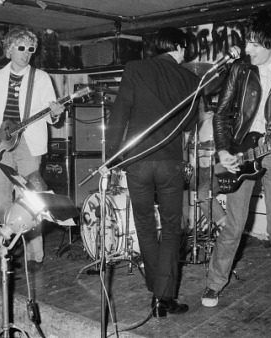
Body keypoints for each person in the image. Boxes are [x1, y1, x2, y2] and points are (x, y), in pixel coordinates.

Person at [200, 11, 271, 315]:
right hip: (240, 154)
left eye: (254, 45)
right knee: (233, 225)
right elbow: (221, 114)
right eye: (247, 42)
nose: (247, 49)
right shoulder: (240, 70)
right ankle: (214, 282)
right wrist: (223, 151)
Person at [106, 27, 200, 318]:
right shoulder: (191, 78)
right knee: (172, 229)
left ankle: (156, 287)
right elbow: (187, 125)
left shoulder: (135, 68)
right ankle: (163, 297)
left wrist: (112, 159)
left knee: (144, 225)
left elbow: (119, 114)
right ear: (180, 47)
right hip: (170, 162)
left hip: (138, 161)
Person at [0, 26, 64, 273]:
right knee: (1, 200)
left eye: (31, 49)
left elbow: (50, 114)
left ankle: (36, 254)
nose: (27, 53)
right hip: (1, 143)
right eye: (22, 48)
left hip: (29, 143)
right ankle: (9, 244)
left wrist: (56, 114)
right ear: (9, 50)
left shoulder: (42, 78)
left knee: (30, 200)